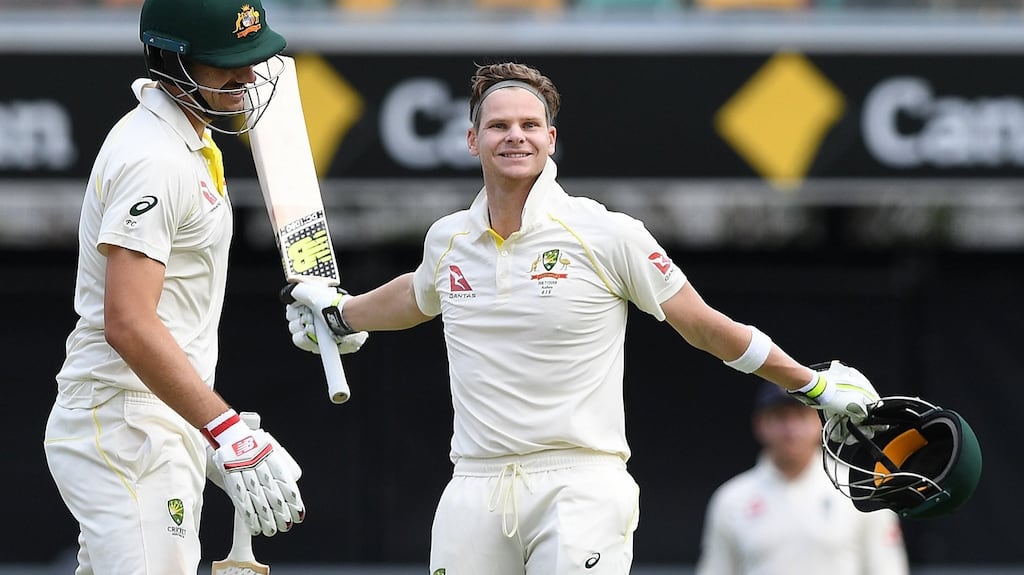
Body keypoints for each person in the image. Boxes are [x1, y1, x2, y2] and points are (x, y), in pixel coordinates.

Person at [283, 61, 881, 575]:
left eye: (528, 126)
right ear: (472, 140)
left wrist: (812, 384)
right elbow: (416, 296)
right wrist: (340, 315)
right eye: (498, 126)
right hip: (474, 484)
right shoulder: (448, 239)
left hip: (581, 482)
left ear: (550, 138)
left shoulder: (607, 233)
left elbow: (702, 324)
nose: (513, 137)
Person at [41, 1, 362, 572]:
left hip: (152, 416)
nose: (245, 78)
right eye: (224, 64)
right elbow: (129, 322)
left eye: (253, 60)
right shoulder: (155, 160)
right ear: (171, 60)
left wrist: (208, 431)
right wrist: (225, 429)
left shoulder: (187, 139)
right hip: (126, 424)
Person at [695, 380, 909, 575]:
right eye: (780, 416)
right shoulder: (731, 499)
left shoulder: (859, 489)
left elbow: (887, 569)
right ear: (760, 424)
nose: (791, 428)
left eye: (801, 415)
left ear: (820, 422)